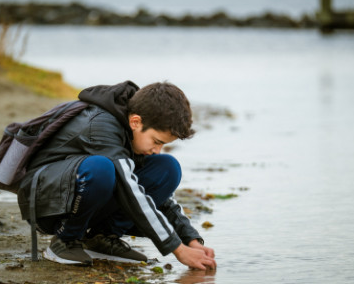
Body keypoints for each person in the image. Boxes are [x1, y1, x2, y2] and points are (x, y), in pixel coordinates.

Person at [16, 80, 217, 270]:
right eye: (156, 141)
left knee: (168, 168)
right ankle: (65, 240)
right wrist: (178, 250)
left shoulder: (130, 129)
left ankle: (101, 239)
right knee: (101, 168)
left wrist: (190, 239)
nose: (157, 150)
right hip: (46, 205)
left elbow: (153, 196)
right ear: (136, 122)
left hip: (79, 194)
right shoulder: (101, 126)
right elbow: (129, 190)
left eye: (163, 144)